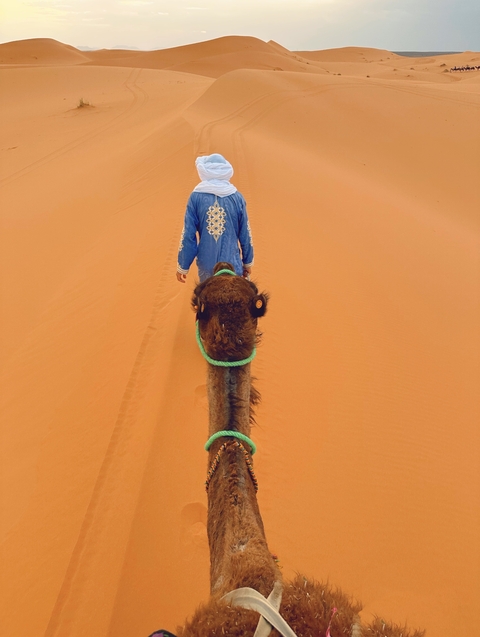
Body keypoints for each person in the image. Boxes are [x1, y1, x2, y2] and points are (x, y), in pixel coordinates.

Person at [176, 153, 254, 283]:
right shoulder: (237, 197)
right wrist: (247, 262)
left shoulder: (195, 197)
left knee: (206, 299)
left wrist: (183, 266)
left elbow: (188, 235)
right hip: (232, 265)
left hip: (207, 265)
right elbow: (245, 233)